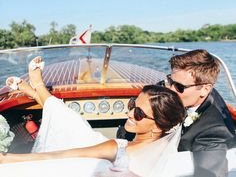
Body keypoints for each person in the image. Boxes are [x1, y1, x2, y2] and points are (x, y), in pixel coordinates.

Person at [1, 57, 186, 177]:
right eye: (132, 104)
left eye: (138, 113)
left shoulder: (118, 147)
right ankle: (37, 91)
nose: (129, 113)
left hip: (90, 150)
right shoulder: (172, 158)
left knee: (69, 121)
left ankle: (38, 88)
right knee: (71, 120)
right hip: (97, 148)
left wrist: (8, 158)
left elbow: (58, 156)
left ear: (158, 126)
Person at [165, 49, 235, 177]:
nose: (170, 89)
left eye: (179, 87)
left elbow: (210, 173)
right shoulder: (198, 93)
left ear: (205, 89)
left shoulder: (213, 134)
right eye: (170, 81)